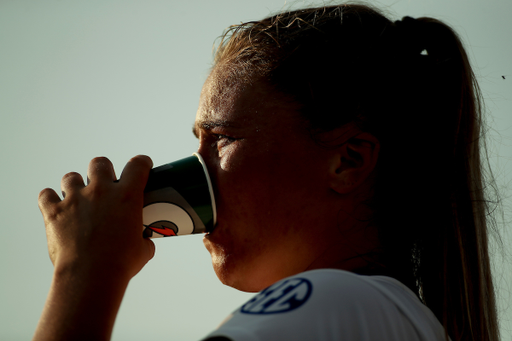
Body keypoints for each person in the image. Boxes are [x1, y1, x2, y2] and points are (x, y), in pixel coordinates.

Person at [33, 3, 500, 341]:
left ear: (348, 161)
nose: (200, 166)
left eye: (221, 139)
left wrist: (84, 272)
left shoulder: (331, 301)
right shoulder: (396, 319)